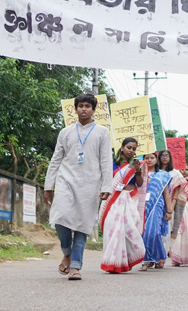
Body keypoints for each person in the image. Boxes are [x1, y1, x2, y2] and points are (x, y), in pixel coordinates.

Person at [44, 93, 112, 281]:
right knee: (60, 218)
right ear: (75, 109)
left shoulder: (102, 132)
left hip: (90, 184)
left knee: (82, 226)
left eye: (87, 106)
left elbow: (106, 160)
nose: (84, 109)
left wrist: (106, 185)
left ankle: (75, 266)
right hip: (65, 180)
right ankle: (67, 252)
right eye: (80, 106)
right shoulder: (65, 132)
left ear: (93, 109)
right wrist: (48, 186)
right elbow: (56, 159)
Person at [98, 137, 146, 273]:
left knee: (129, 230)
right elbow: (107, 178)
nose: (131, 151)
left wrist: (137, 171)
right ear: (122, 147)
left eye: (134, 149)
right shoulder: (112, 162)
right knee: (113, 229)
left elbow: (140, 183)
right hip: (114, 199)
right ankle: (113, 261)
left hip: (130, 199)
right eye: (128, 148)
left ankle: (128, 259)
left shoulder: (136, 164)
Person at [140, 152, 173, 270]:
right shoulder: (139, 174)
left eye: (152, 158)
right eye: (146, 158)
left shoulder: (163, 175)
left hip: (157, 206)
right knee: (142, 233)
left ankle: (157, 256)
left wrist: (169, 210)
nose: (149, 160)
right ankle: (147, 260)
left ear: (156, 159)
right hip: (141, 205)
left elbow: (166, 193)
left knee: (153, 233)